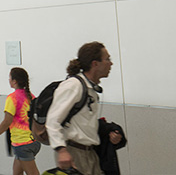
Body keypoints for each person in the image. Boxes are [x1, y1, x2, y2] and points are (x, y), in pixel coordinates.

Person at [46, 42, 122, 175]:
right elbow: (52, 121)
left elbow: (84, 122)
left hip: (90, 153)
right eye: (107, 59)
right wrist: (61, 150)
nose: (111, 63)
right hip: (74, 153)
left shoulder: (90, 89)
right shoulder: (73, 86)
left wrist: (108, 132)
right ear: (95, 64)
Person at [0, 67, 40, 175]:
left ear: (14, 81)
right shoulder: (31, 96)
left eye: (10, 78)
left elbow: (7, 122)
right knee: (17, 172)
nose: (9, 80)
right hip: (34, 141)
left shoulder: (12, 98)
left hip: (22, 143)